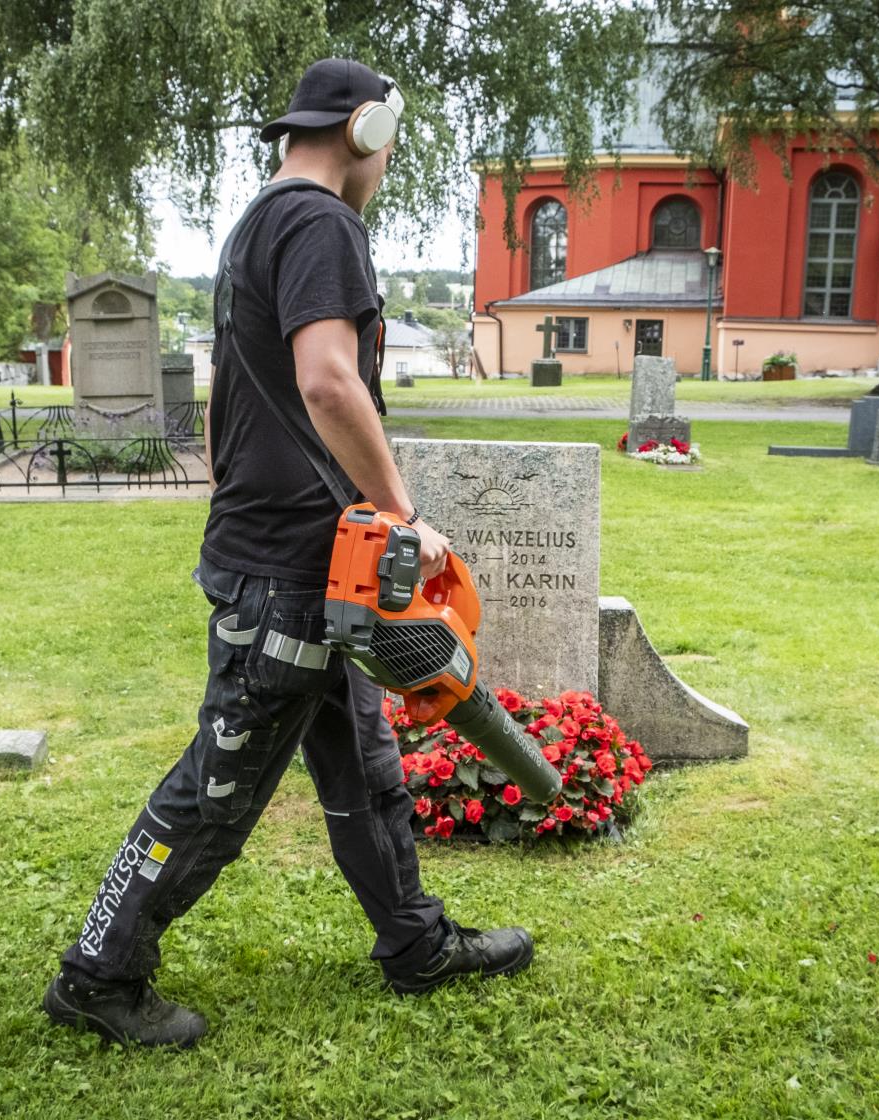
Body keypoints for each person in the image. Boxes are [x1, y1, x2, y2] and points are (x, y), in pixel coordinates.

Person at [43, 58, 532, 1050]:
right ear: (364, 132)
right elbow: (326, 381)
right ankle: (99, 974)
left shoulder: (255, 225)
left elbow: (231, 380)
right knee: (218, 789)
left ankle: (413, 942)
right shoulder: (322, 224)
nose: (385, 166)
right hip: (297, 575)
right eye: (387, 146)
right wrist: (403, 511)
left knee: (365, 767)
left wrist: (240, 494)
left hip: (317, 565)